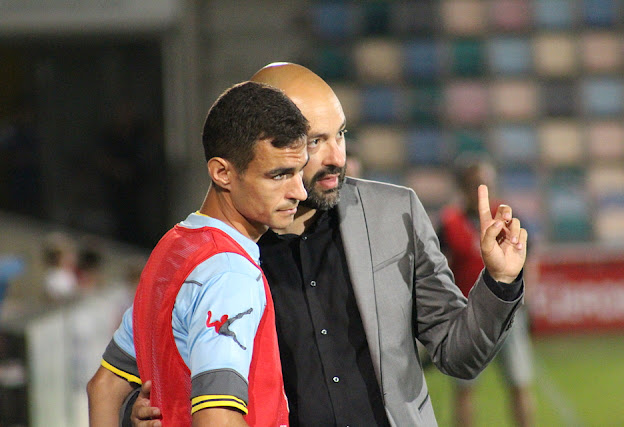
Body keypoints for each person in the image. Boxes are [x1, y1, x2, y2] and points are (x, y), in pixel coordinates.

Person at [101, 63, 527, 427]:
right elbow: (133, 382)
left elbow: (460, 355)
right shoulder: (221, 256)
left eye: (340, 134)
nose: (337, 156)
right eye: (314, 141)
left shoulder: (395, 214)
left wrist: (500, 283)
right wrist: (132, 416)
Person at [86, 81, 310, 426]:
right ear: (222, 173)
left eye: (298, 171)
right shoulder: (230, 274)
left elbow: (103, 387)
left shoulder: (172, 249)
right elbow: (216, 417)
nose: (299, 191)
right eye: (278, 175)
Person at [439, 155, 535, 427]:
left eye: (486, 184)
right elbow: (439, 268)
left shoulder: (506, 217)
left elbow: (530, 256)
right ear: (462, 188)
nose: (481, 190)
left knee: (520, 383)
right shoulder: (448, 223)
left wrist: (529, 300)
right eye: (475, 185)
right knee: (465, 389)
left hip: (508, 312)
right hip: (466, 314)